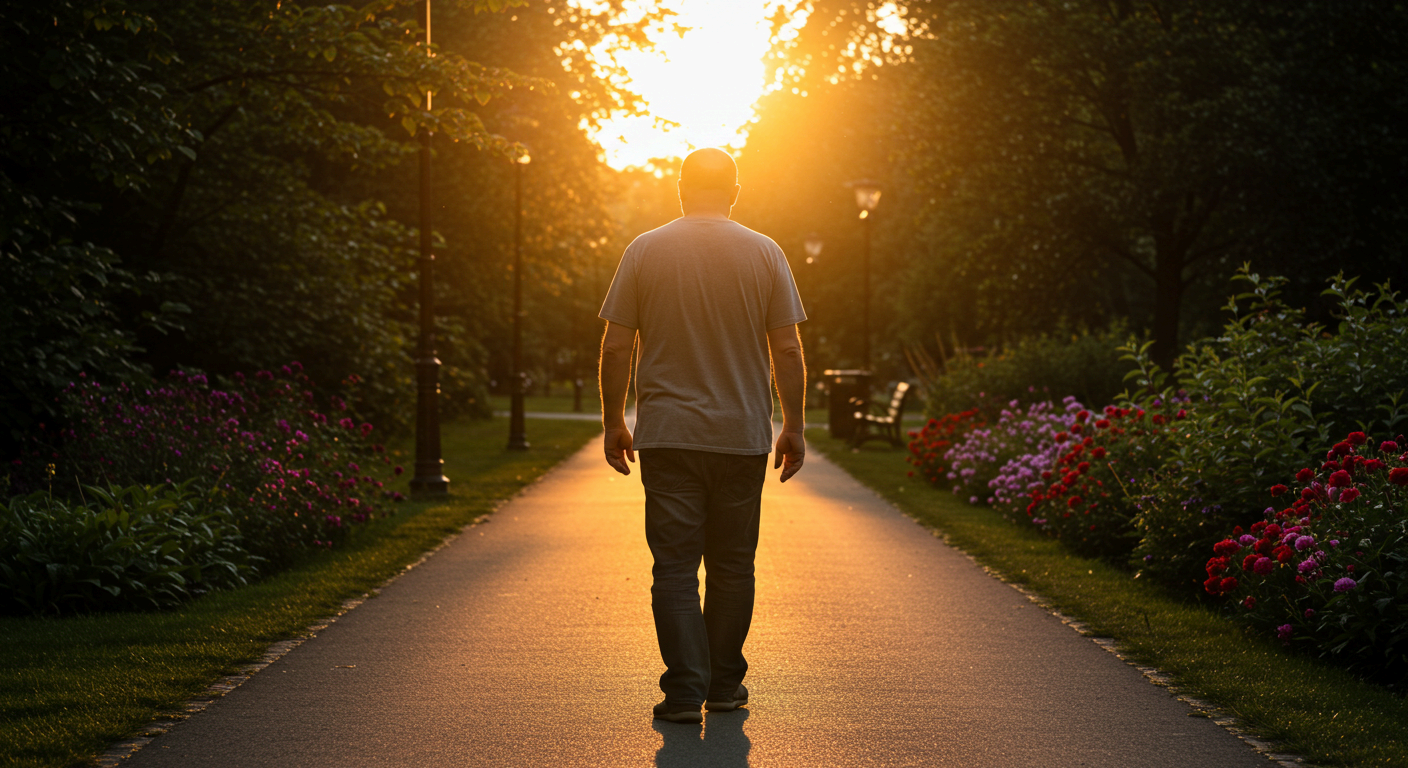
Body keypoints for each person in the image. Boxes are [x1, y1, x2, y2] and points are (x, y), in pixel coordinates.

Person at [597, 147, 808, 725]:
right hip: (741, 436)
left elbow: (617, 345)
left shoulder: (644, 250)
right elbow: (786, 348)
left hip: (668, 436)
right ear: (735, 191)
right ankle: (724, 687)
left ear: (681, 189)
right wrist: (793, 425)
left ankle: (685, 693)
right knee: (734, 566)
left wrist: (615, 420)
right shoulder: (766, 253)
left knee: (674, 568)